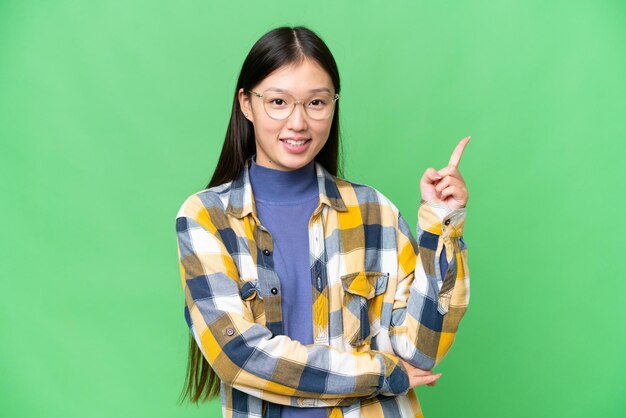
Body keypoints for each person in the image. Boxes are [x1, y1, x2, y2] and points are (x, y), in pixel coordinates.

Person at [175, 26, 471, 418]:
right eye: (278, 102)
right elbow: (239, 356)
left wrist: (442, 224)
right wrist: (380, 373)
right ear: (246, 103)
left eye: (316, 103)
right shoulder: (206, 219)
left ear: (333, 104)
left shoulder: (374, 213)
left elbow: (419, 351)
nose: (298, 122)